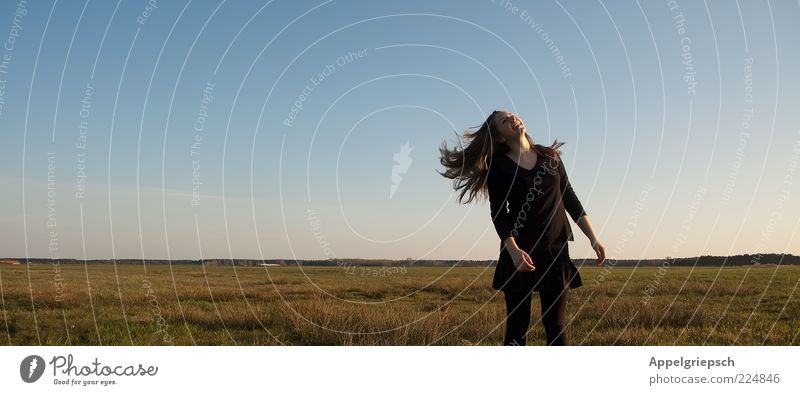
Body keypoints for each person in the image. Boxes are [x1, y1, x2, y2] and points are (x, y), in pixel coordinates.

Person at [438, 110, 606, 345]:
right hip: (519, 254)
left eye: (512, 115)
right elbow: (498, 212)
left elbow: (570, 198)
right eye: (504, 121)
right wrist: (513, 250)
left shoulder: (551, 158)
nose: (512, 119)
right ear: (499, 137)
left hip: (555, 251)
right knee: (517, 328)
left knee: (556, 327)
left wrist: (593, 237)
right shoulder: (499, 166)